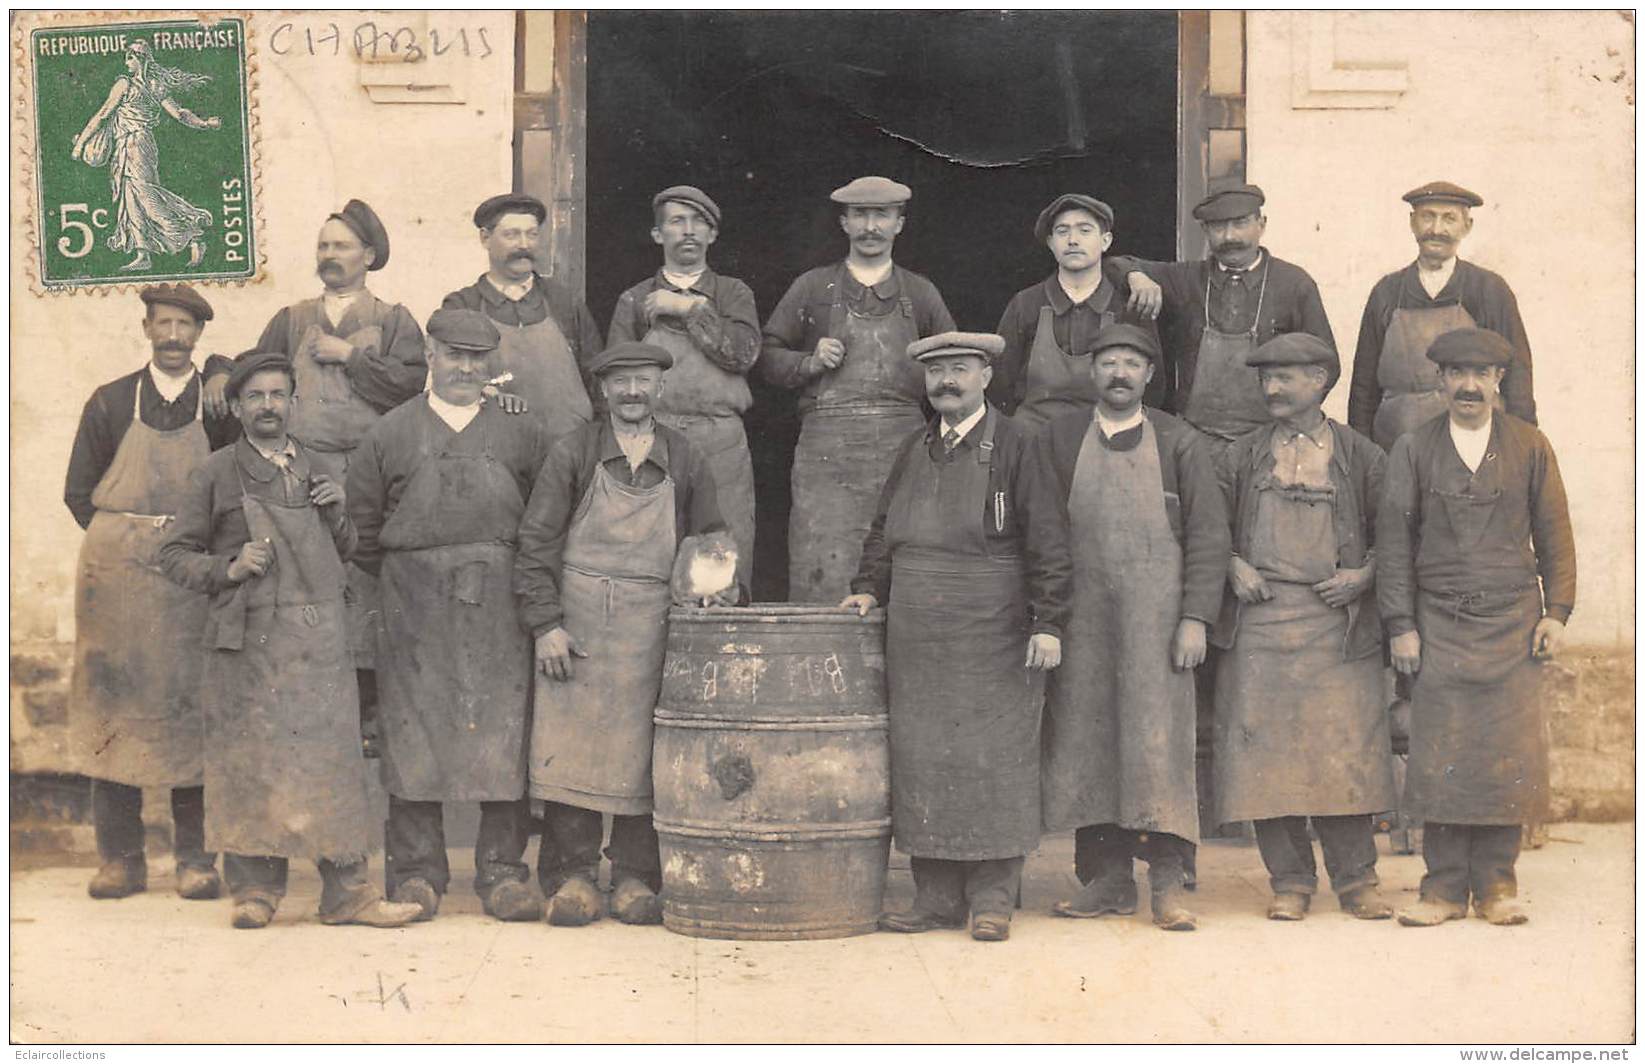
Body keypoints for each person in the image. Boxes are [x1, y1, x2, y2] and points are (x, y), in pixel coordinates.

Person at [159, 352, 419, 930]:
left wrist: (338, 515)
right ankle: (255, 891)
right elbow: (173, 555)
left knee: (332, 763)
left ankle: (347, 893)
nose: (268, 407)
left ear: (293, 403)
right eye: (256, 397)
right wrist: (229, 565)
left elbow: (347, 552)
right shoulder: (217, 472)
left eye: (278, 395)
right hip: (249, 642)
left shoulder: (319, 466)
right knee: (253, 762)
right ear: (238, 406)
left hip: (320, 641)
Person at [841, 331, 1069, 942]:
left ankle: (993, 895)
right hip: (916, 628)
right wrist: (869, 586)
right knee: (922, 757)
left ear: (986, 377)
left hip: (992, 624)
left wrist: (1048, 622)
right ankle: (935, 896)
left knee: (995, 759)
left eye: (960, 369)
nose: (947, 381)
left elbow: (1049, 539)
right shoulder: (913, 448)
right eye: (937, 370)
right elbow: (882, 529)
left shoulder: (1021, 443)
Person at [346, 309, 558, 923]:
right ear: (430, 357)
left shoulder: (523, 430)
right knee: (411, 734)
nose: (465, 367)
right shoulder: (389, 433)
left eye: (477, 356)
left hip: (501, 602)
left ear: (491, 363)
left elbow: (544, 520)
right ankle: (416, 874)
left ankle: (502, 872)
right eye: (453, 354)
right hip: (412, 604)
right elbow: (360, 530)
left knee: (502, 730)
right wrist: (413, 575)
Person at [516, 340, 731, 926]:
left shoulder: (686, 456)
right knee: (572, 755)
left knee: (646, 755)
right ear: (603, 390)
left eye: (644, 381)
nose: (632, 392)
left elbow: (712, 539)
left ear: (661, 388)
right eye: (621, 382)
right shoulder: (574, 452)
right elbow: (535, 544)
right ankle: (572, 878)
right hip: (578, 625)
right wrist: (546, 625)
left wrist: (710, 589)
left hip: (654, 628)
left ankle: (638, 877)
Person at [203, 199, 427, 755]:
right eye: (324, 246)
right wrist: (217, 370)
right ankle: (306, 708)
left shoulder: (394, 318)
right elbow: (254, 368)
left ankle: (370, 717)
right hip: (303, 475)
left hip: (371, 477)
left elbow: (409, 387)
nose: (330, 256)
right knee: (306, 582)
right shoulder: (294, 318)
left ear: (369, 256)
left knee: (368, 583)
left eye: (342, 246)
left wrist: (351, 355)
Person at [1376, 327, 1575, 928]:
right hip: (1438, 622)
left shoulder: (1530, 445)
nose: (1468, 386)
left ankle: (1496, 885)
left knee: (1503, 755)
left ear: (1498, 381)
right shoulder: (1413, 447)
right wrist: (1401, 624)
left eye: (1480, 374)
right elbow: (1392, 542)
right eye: (1456, 374)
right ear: (1439, 381)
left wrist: (1557, 612)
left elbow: (1556, 535)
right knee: (1441, 752)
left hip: (1513, 622)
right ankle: (1440, 887)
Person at [1037, 323, 1229, 931]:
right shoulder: (1061, 438)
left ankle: (1169, 883)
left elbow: (1208, 536)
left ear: (1149, 375)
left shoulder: (1178, 439)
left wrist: (1196, 616)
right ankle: (1106, 880)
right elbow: (1043, 533)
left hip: (1159, 624)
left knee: (1160, 749)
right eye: (1108, 363)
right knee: (1089, 744)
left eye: (1131, 363)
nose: (1119, 373)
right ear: (1091, 373)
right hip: (1086, 621)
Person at [1210, 332, 1397, 921]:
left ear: (1320, 380)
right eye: (1265, 377)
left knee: (1347, 751)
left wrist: (1365, 576)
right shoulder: (1239, 455)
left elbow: (1398, 533)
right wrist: (1231, 563)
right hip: (1260, 625)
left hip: (1338, 627)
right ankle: (1289, 881)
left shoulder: (1362, 456)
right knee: (1266, 756)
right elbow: (1205, 525)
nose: (1271, 388)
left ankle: (1356, 880)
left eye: (1285, 377)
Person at [64, 284, 238, 901]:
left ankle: (195, 859)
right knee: (112, 706)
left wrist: (185, 547)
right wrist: (130, 542)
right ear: (145, 329)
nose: (172, 337)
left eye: (183, 327)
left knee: (195, 708)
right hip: (117, 582)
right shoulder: (110, 401)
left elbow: (233, 489)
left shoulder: (217, 405)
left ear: (197, 336)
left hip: (190, 579)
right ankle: (120, 859)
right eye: (161, 324)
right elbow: (79, 493)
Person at [760, 175, 956, 603]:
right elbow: (767, 355)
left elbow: (954, 367)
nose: (871, 227)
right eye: (860, 215)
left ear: (899, 224)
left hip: (903, 446)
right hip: (826, 454)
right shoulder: (812, 288)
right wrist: (807, 362)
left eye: (881, 215)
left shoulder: (921, 294)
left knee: (902, 560)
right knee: (821, 571)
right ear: (844, 223)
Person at [608, 185, 760, 588]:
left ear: (712, 235)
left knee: (724, 550)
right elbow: (613, 379)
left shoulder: (733, 293)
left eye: (700, 223)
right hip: (655, 438)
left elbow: (744, 355)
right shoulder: (634, 300)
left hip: (720, 439)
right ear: (659, 235)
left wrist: (690, 307)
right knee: (650, 548)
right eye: (677, 222)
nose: (689, 231)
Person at [1112, 184, 1335, 448]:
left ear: (1261, 224)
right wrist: (1135, 276)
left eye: (1240, 223)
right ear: (1205, 231)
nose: (1229, 236)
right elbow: (1113, 264)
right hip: (1196, 440)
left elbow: (1327, 364)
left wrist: (1293, 423)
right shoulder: (1186, 279)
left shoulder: (1294, 284)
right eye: (1218, 227)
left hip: (1268, 442)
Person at [1349, 182, 1536, 450]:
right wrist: (1361, 455)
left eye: (1449, 218)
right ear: (1412, 222)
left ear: (1467, 226)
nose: (1437, 229)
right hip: (1399, 444)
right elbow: (1364, 387)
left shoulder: (1489, 289)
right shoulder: (1387, 292)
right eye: (1427, 217)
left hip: (1476, 445)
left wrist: (1523, 448)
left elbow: (1518, 375)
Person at [442, 193, 603, 441]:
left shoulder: (564, 303)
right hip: (495, 455)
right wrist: (487, 392)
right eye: (512, 234)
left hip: (568, 454)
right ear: (485, 238)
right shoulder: (463, 305)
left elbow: (598, 380)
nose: (524, 245)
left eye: (532, 234)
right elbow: (448, 382)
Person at [991, 193, 1162, 425]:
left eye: (1085, 230)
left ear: (1105, 241)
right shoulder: (1025, 304)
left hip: (1106, 441)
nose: (1073, 240)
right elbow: (999, 385)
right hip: (1034, 443)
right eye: (1062, 231)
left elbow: (1153, 388)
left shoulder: (1129, 306)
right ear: (1051, 243)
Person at [70, 40, 219, 271]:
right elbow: (180, 114)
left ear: (140, 59)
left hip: (136, 144)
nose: (126, 62)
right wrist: (205, 123)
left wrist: (80, 144)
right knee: (131, 199)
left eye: (129, 58)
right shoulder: (155, 85)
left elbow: (102, 115)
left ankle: (192, 233)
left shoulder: (125, 84)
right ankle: (143, 254)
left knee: (145, 194)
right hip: (129, 144)